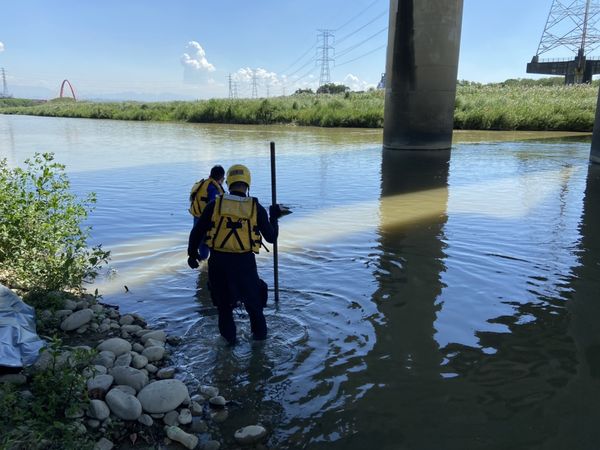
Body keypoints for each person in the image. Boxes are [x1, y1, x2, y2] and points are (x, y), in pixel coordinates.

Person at [187, 164, 282, 345]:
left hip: (218, 264)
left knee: (224, 309)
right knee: (255, 308)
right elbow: (271, 238)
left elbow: (197, 232)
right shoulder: (255, 207)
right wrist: (274, 218)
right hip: (244, 264)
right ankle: (259, 348)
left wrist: (192, 255)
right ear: (247, 183)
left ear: (228, 182)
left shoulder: (215, 205)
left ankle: (229, 346)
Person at [189, 165, 225, 261]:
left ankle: (201, 269)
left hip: (197, 218)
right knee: (210, 247)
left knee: (200, 245)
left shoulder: (202, 184)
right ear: (222, 178)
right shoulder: (214, 189)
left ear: (211, 174)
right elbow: (216, 207)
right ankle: (205, 271)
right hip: (208, 222)